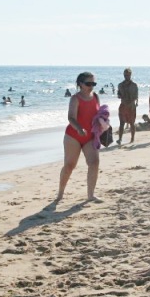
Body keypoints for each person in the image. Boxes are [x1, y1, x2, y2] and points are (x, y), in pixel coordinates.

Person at [57, 72, 101, 202]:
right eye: (88, 83)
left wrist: (103, 124)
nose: (91, 86)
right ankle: (60, 193)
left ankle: (90, 195)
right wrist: (79, 128)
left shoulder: (96, 97)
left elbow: (98, 115)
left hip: (90, 136)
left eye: (93, 83)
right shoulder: (75, 98)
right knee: (69, 166)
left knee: (94, 162)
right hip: (73, 136)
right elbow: (71, 117)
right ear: (80, 84)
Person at [116, 68, 138, 145]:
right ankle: (120, 139)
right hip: (123, 106)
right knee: (121, 123)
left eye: (128, 75)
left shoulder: (134, 85)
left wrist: (130, 101)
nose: (126, 76)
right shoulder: (120, 85)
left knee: (132, 123)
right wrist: (120, 95)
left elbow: (136, 96)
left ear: (130, 75)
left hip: (131, 106)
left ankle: (132, 138)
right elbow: (118, 95)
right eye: (125, 75)